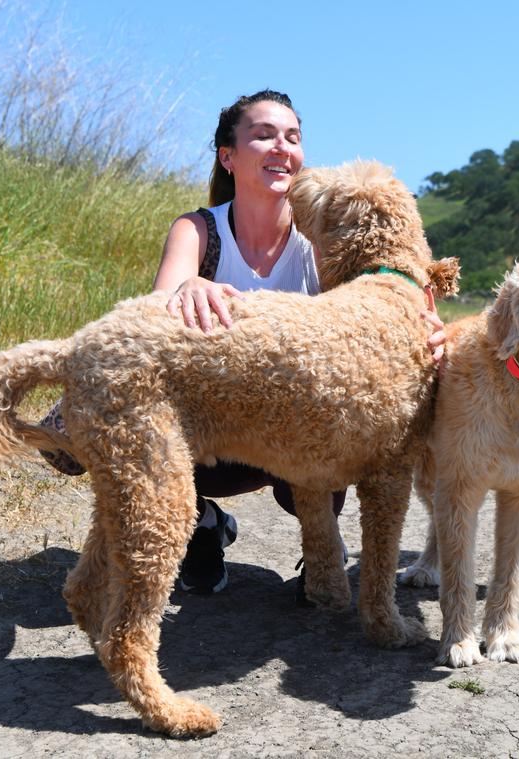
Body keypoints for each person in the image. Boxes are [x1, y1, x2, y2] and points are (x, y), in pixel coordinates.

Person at [42, 89, 445, 601]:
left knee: (348, 417)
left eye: (293, 137)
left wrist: (428, 328)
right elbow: (157, 313)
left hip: (298, 426)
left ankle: (322, 548)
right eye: (264, 135)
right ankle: (198, 521)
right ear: (227, 156)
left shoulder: (319, 244)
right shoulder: (198, 230)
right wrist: (189, 286)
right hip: (217, 424)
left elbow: (373, 323)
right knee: (101, 429)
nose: (282, 146)